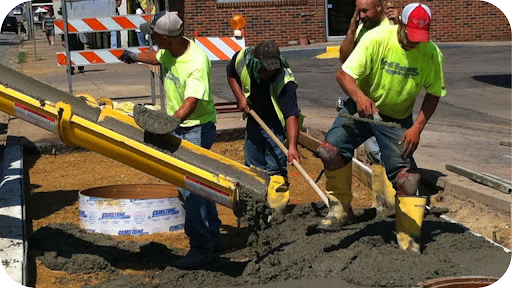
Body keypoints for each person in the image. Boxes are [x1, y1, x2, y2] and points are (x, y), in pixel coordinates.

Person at [317, 3, 446, 252]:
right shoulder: (377, 38)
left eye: (421, 37)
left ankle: (408, 239)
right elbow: (344, 74)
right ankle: (341, 209)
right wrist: (361, 98)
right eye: (412, 35)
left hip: (396, 119)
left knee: (409, 181)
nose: (415, 43)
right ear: (402, 26)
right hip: (360, 110)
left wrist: (417, 127)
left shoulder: (431, 53)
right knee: (329, 151)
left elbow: (434, 92)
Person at [117, 11, 222, 268]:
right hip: (181, 126)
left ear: (165, 38)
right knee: (201, 185)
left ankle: (201, 248)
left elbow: (191, 101)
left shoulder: (196, 61)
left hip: (196, 128)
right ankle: (214, 235)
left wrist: (169, 123)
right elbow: (157, 57)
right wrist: (135, 57)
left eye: (152, 34)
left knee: (191, 188)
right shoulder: (170, 49)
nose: (149, 37)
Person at [226, 40, 301, 211]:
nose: (269, 73)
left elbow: (291, 115)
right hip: (254, 119)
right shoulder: (242, 60)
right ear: (255, 63)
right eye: (265, 69)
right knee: (253, 168)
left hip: (275, 123)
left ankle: (275, 213)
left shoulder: (285, 81)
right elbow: (230, 74)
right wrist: (240, 97)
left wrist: (292, 147)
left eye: (272, 69)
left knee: (276, 171)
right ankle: (255, 210)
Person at [338, 0, 399, 165]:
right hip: (363, 100)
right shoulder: (361, 28)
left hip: (385, 103)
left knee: (389, 152)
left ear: (378, 7)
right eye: (359, 12)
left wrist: (398, 24)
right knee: (373, 151)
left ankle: (397, 183)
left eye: (365, 11)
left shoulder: (390, 27)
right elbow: (344, 58)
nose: (362, 16)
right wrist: (352, 27)